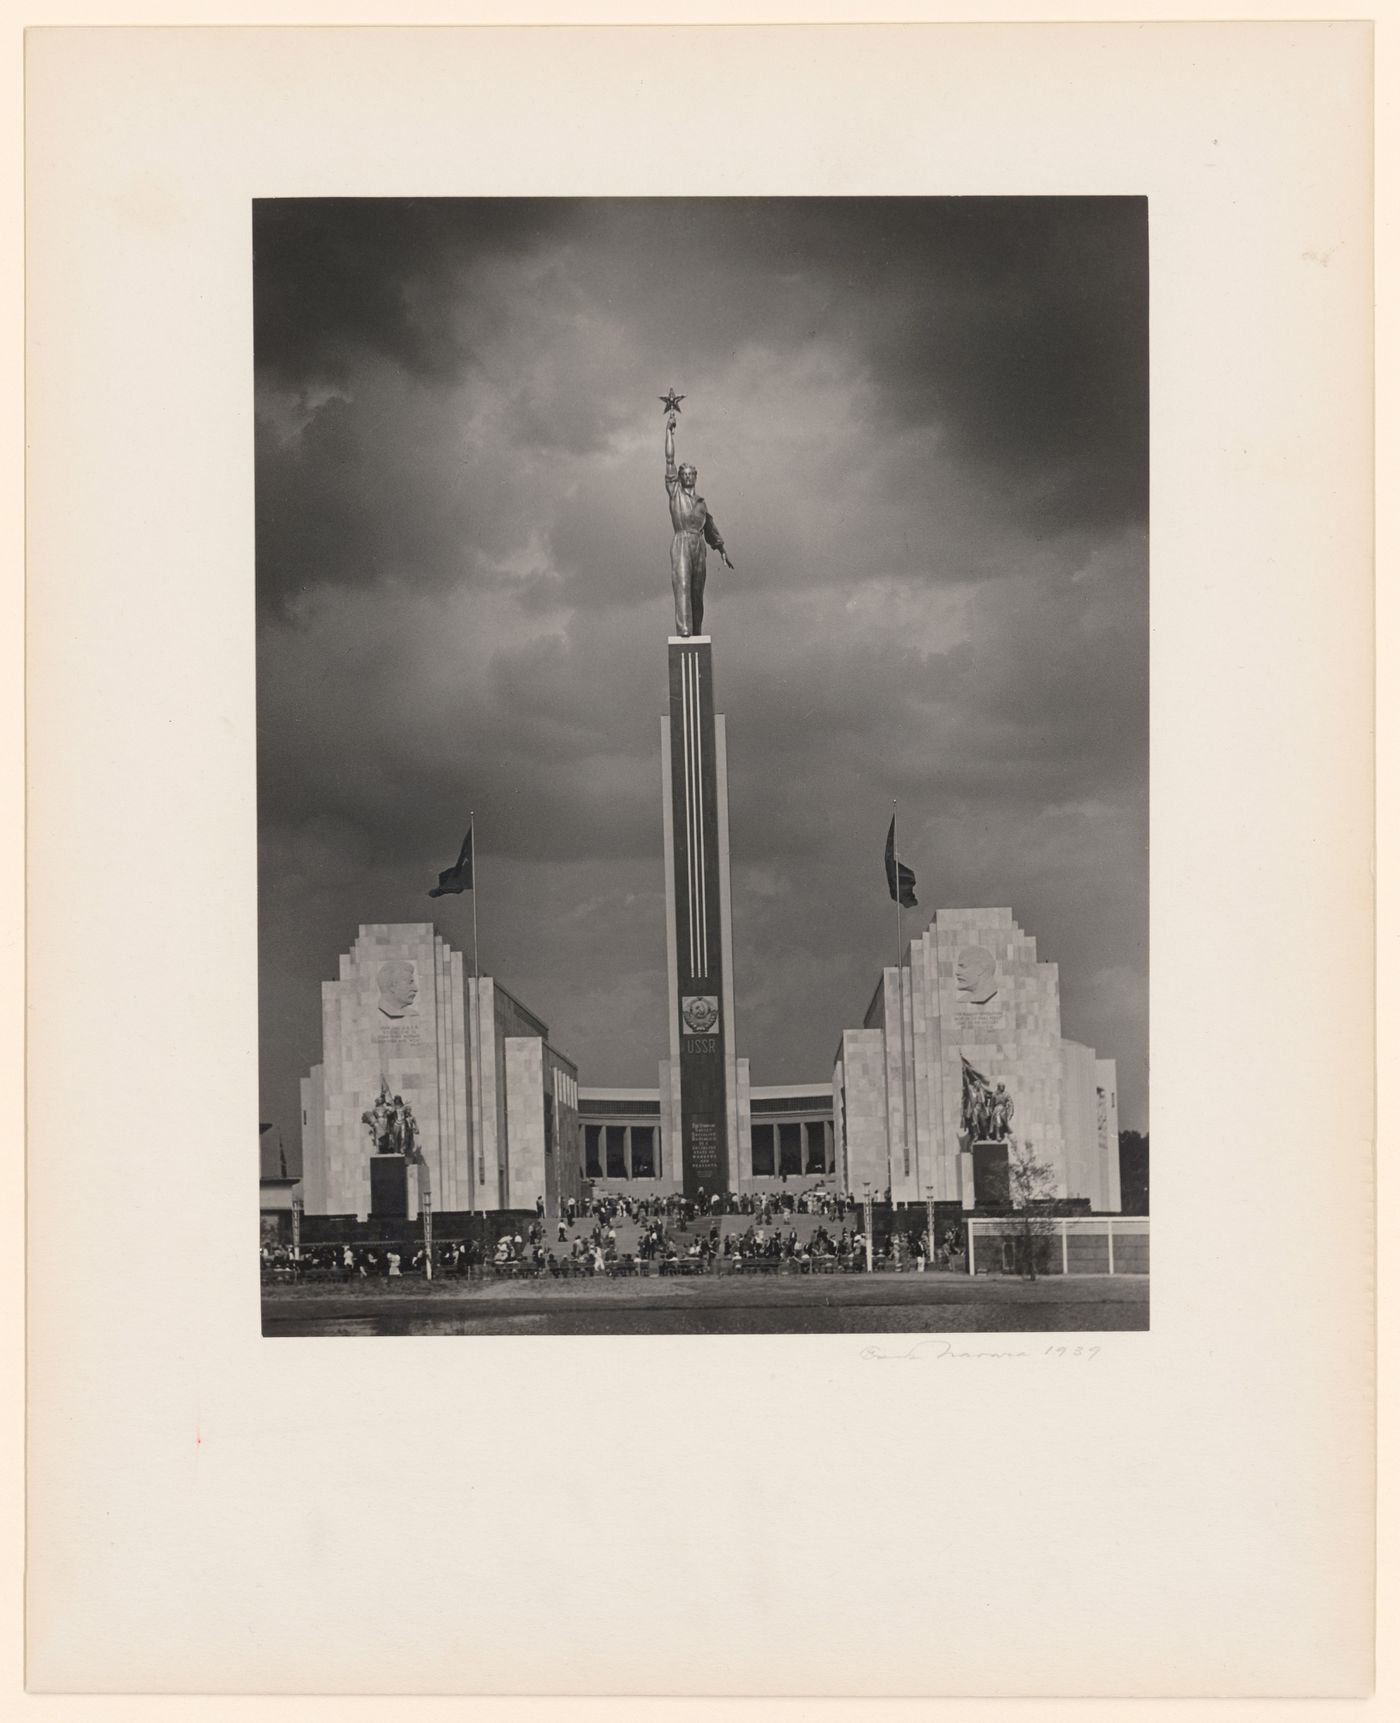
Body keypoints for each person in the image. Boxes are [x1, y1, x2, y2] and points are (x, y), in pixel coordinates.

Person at [663, 411, 734, 636]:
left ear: (696, 475)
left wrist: (721, 548)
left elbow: (710, 527)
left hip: (698, 546)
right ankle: (684, 633)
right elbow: (669, 460)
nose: (687, 477)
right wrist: (669, 432)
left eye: (691, 473)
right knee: (682, 587)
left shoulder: (701, 503)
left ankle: (695, 633)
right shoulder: (674, 491)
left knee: (696, 593)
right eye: (684, 474)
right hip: (681, 542)